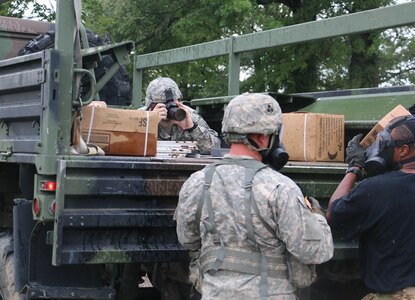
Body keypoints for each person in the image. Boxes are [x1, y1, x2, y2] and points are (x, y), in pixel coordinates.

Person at [175, 93, 334, 299]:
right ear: (261, 137)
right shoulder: (279, 187)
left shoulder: (196, 182)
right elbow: (315, 251)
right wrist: (317, 216)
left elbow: (187, 239)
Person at [326, 115, 415, 300]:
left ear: (404, 150)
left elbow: (334, 213)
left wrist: (354, 167)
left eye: (385, 143)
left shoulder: (378, 189)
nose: (381, 148)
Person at [145, 77, 220, 154]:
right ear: (151, 105)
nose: (169, 107)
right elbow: (132, 148)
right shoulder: (141, 118)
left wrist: (192, 128)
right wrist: (150, 125)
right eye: (164, 104)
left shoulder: (189, 116)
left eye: (173, 102)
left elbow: (215, 149)